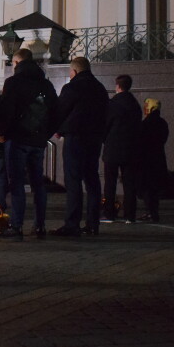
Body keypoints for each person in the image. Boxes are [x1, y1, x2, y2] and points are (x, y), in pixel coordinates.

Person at [0, 48, 60, 240]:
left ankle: (16, 227)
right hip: (38, 141)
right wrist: (44, 135)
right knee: (38, 184)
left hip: (17, 139)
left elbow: (7, 110)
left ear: (16, 63)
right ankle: (39, 226)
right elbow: (56, 112)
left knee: (16, 183)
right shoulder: (46, 84)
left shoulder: (13, 82)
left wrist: (2, 133)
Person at [54, 56, 109, 237]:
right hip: (94, 139)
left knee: (73, 180)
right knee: (92, 180)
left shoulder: (72, 87)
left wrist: (59, 129)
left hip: (75, 138)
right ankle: (93, 224)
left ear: (74, 71)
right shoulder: (100, 89)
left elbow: (60, 111)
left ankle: (72, 224)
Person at [101, 74, 142, 223]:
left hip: (113, 147)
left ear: (117, 86)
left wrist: (104, 139)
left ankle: (109, 213)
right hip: (131, 148)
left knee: (110, 183)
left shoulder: (113, 104)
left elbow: (106, 124)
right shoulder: (135, 105)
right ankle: (130, 215)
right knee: (129, 183)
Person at [139, 98, 168, 223]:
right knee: (154, 189)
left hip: (147, 160)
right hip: (159, 159)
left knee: (147, 188)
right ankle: (152, 212)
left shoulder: (147, 123)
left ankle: (151, 212)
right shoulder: (162, 123)